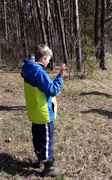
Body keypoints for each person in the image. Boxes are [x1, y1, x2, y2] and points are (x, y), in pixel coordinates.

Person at [21, 44, 66, 177]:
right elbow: (52, 90)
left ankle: (39, 159)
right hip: (43, 112)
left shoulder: (27, 68)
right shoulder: (39, 72)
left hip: (34, 111)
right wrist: (60, 77)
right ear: (44, 57)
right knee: (47, 140)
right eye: (48, 60)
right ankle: (49, 167)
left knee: (37, 137)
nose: (48, 62)